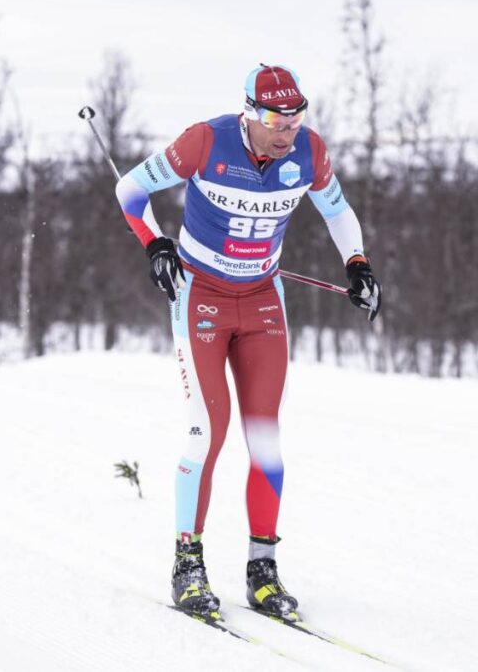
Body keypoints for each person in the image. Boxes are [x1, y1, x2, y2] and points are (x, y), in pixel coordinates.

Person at [114, 64, 381, 619]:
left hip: (262, 301)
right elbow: (130, 189)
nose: (287, 132)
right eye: (276, 121)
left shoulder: (309, 152)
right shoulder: (205, 142)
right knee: (206, 433)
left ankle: (262, 569)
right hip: (201, 298)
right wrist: (155, 243)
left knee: (265, 440)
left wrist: (357, 264)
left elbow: (337, 211)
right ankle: (188, 564)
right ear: (249, 114)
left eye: (295, 120)